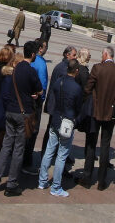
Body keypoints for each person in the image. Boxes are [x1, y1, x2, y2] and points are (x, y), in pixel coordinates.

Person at [0, 39, 43, 197]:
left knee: (6, 145)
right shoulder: (30, 71)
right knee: (18, 149)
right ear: (33, 54)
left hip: (11, 111)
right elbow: (39, 90)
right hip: (22, 113)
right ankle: (11, 183)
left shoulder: (16, 67)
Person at [80, 44, 115, 190]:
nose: (101, 56)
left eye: (101, 54)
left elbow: (87, 88)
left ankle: (87, 178)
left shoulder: (97, 68)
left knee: (91, 144)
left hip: (96, 112)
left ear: (105, 55)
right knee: (105, 146)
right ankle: (101, 181)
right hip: (110, 114)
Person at [39, 58, 83, 197]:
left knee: (49, 151)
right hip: (67, 123)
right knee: (62, 155)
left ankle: (42, 180)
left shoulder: (59, 82)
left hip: (56, 119)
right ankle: (56, 187)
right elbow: (78, 107)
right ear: (76, 70)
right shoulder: (76, 88)